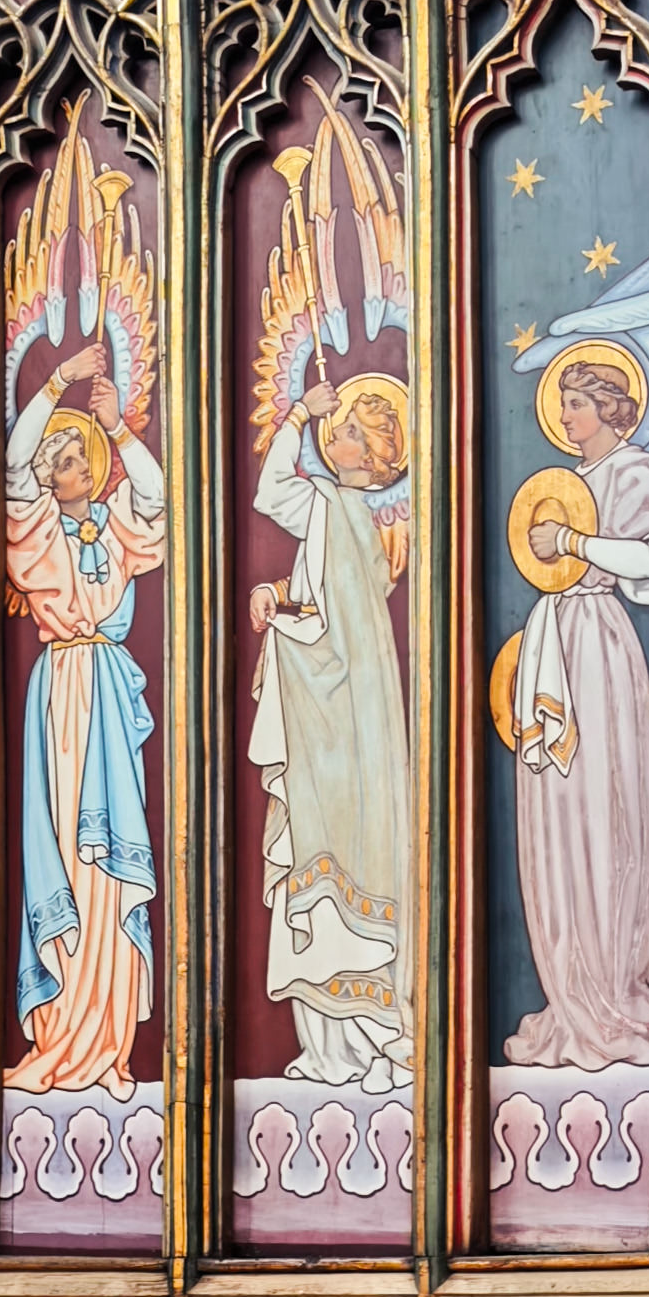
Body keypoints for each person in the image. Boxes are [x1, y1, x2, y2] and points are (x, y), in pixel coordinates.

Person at [4, 347, 167, 1095]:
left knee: (111, 863)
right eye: (60, 460)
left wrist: (120, 428)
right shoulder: (38, 529)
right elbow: (13, 467)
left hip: (106, 689)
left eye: (78, 457)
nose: (71, 467)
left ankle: (110, 1044)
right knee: (69, 849)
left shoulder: (115, 524)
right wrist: (57, 382)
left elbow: (155, 496)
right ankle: (63, 1030)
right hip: (64, 689)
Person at [503, 334, 649, 1070]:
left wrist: (573, 541)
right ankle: (571, 994)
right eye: (563, 402)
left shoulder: (634, 472)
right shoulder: (568, 478)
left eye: (577, 402)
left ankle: (613, 988)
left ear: (610, 406)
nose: (566, 416)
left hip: (598, 646)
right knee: (559, 816)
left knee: (608, 809)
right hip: (555, 640)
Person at [250, 370, 412, 1086]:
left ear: (371, 458)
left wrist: (295, 416)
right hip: (342, 720)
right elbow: (325, 599)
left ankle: (374, 1042)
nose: (331, 435)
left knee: (336, 861)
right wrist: (278, 594)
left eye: (345, 431)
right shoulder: (345, 518)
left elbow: (271, 492)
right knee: (330, 869)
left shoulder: (336, 509)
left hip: (336, 721)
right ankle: (331, 1049)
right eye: (335, 426)